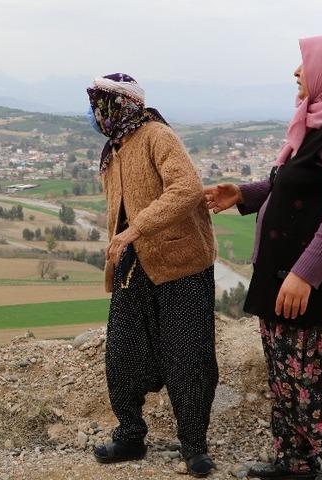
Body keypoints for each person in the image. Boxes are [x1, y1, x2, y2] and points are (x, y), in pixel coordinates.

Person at [204, 36, 322, 480]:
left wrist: (305, 274)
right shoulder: (319, 123)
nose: (297, 72)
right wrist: (243, 194)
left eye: (305, 63)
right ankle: (295, 462)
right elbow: (292, 185)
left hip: (318, 288)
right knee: (285, 383)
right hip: (283, 279)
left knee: (315, 389)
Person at [86, 73, 218, 477]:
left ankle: (194, 445)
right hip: (133, 267)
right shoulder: (115, 148)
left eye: (100, 104)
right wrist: (122, 242)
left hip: (181, 263)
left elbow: (187, 187)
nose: (94, 113)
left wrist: (135, 229)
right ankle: (130, 434)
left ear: (120, 105)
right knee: (122, 352)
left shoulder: (156, 135)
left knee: (188, 355)